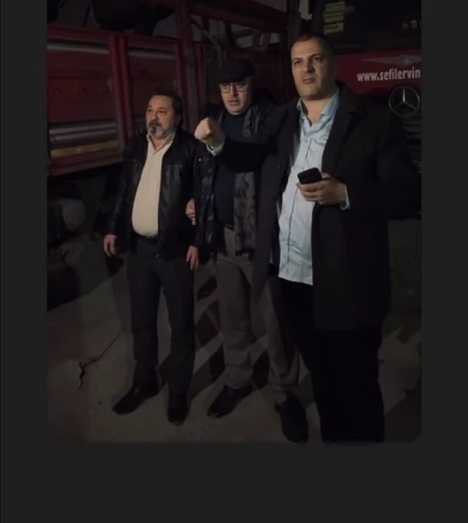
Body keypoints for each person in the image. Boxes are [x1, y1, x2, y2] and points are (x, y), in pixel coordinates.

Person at [194, 32, 421, 443]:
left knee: (357, 388)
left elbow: (407, 194)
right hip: (295, 281)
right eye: (298, 62)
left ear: (333, 64)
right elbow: (250, 157)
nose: (307, 69)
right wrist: (218, 142)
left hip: (347, 283)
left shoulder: (373, 122)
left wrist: (347, 194)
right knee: (324, 383)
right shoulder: (283, 119)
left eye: (315, 59)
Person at [186, 58, 307, 443]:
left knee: (276, 319)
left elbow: (251, 156)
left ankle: (284, 393)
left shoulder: (271, 118)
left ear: (251, 83)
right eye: (225, 87)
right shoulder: (215, 119)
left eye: (239, 85)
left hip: (262, 238)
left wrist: (219, 142)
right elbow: (206, 171)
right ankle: (237, 379)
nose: (233, 94)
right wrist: (198, 200)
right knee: (233, 316)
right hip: (221, 236)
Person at [103, 87, 210, 425]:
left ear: (177, 117)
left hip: (176, 253)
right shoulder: (136, 148)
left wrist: (198, 240)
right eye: (150, 110)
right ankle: (144, 381)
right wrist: (113, 228)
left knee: (181, 326)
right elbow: (123, 192)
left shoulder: (192, 150)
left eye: (162, 111)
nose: (154, 116)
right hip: (139, 252)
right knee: (142, 322)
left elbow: (204, 197)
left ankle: (178, 391)